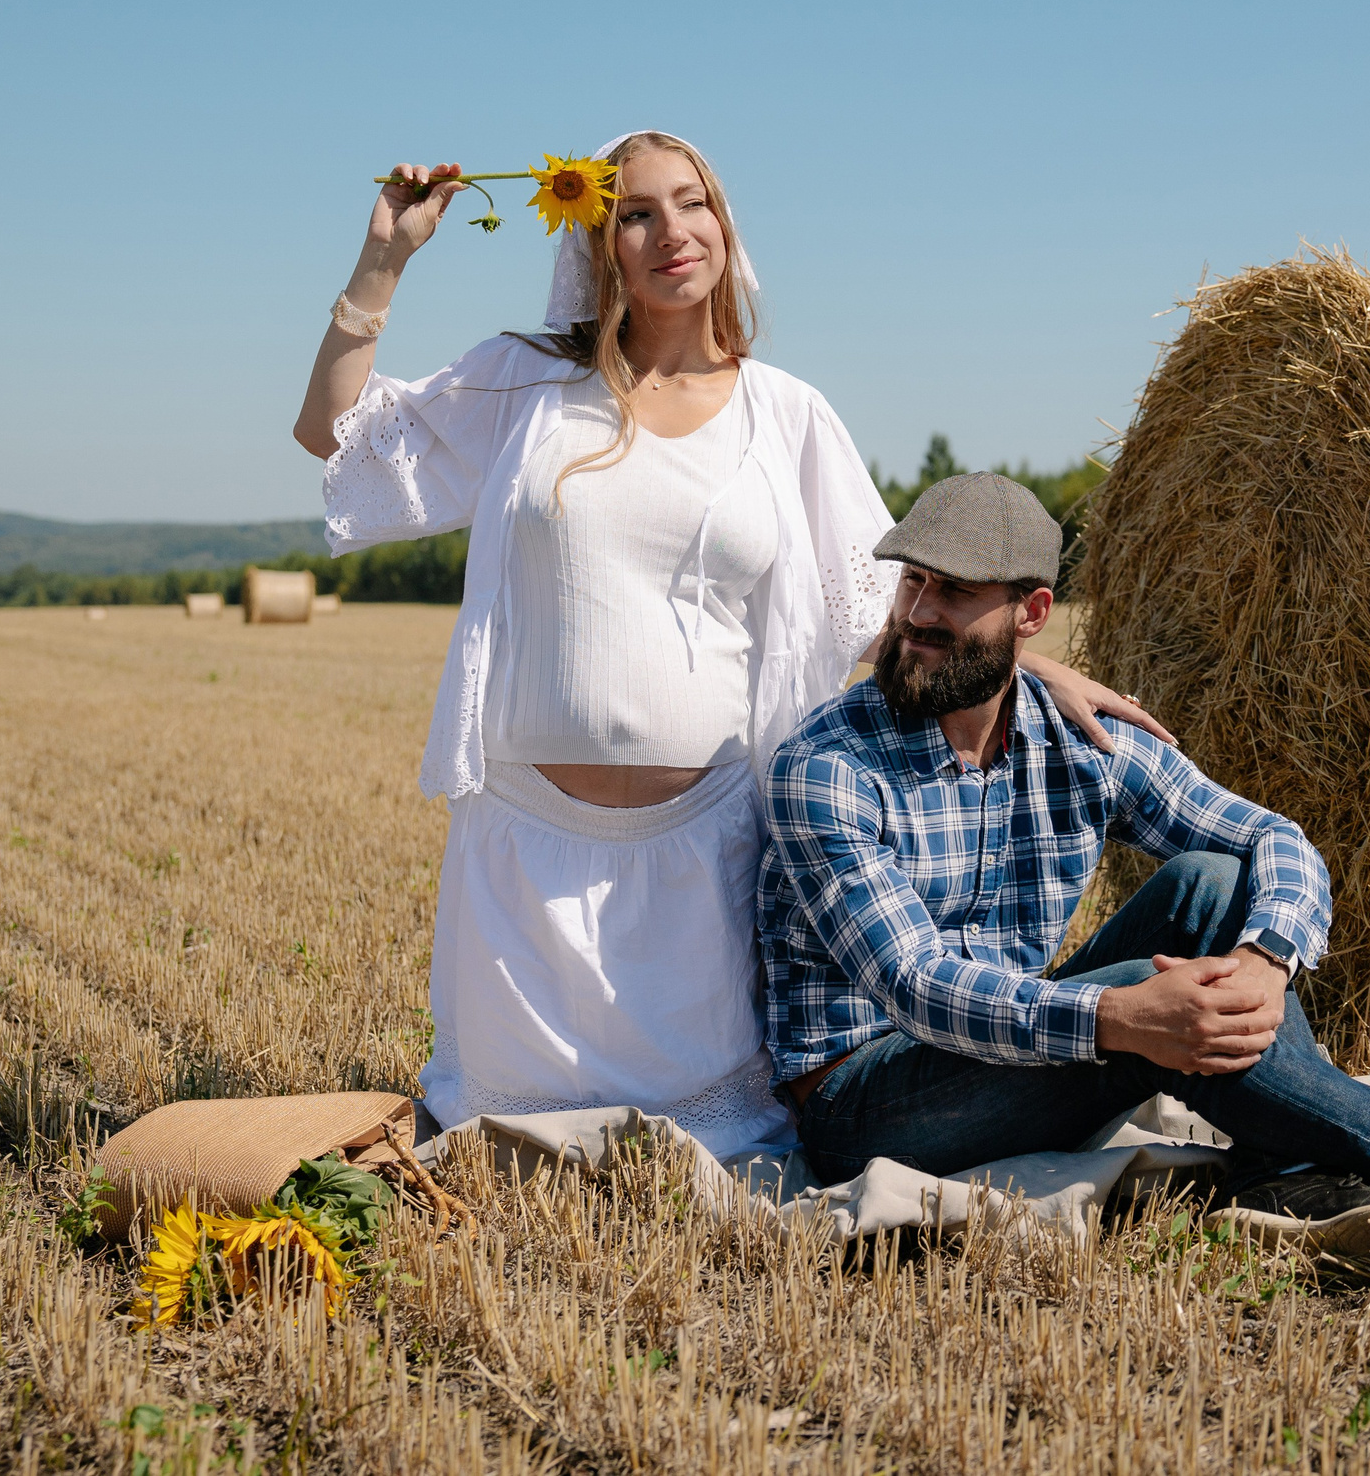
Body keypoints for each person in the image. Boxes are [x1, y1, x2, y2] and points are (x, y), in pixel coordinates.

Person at [293, 132, 1156, 1156]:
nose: (671, 233)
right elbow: (333, 433)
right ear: (596, 242)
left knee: (711, 1154)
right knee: (500, 1153)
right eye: (636, 213)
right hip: (524, 870)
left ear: (724, 225)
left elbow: (890, 604)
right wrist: (383, 259)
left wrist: (1027, 661)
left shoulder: (786, 415)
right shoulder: (522, 382)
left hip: (703, 865)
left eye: (692, 203)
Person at [759, 472, 1370, 1251]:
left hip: (1018, 1047)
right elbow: (917, 986)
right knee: (1152, 988)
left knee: (1218, 888)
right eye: (910, 581)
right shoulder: (828, 766)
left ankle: (1280, 1164)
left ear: (1031, 614)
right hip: (866, 1101)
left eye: (954, 593)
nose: (918, 614)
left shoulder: (1080, 743)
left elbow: (1277, 842)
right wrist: (1120, 1016)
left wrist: (1267, 962)